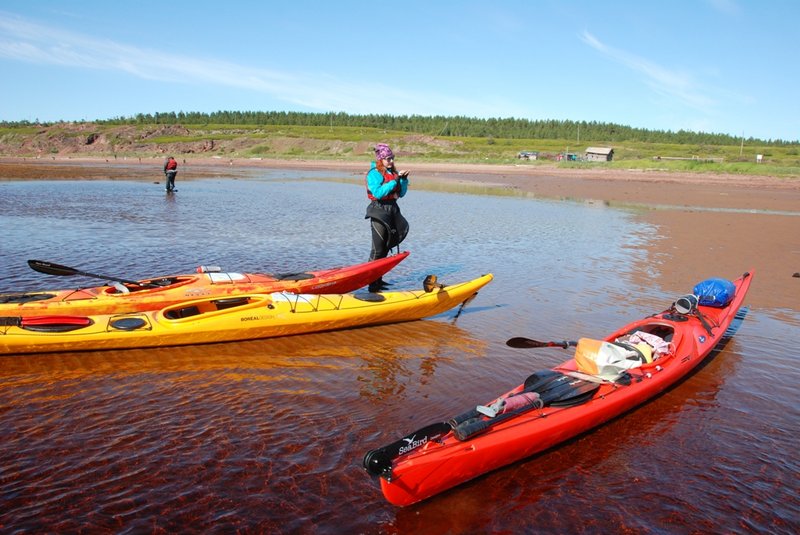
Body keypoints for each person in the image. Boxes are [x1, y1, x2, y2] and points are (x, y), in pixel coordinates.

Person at [364, 143, 409, 292]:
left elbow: (400, 194)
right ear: (380, 159)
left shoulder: (392, 173)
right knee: (377, 250)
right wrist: (394, 181)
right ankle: (371, 284)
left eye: (392, 158)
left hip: (392, 210)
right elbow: (378, 193)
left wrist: (403, 180)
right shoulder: (374, 174)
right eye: (388, 158)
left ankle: (379, 281)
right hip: (378, 211)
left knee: (384, 250)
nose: (391, 161)